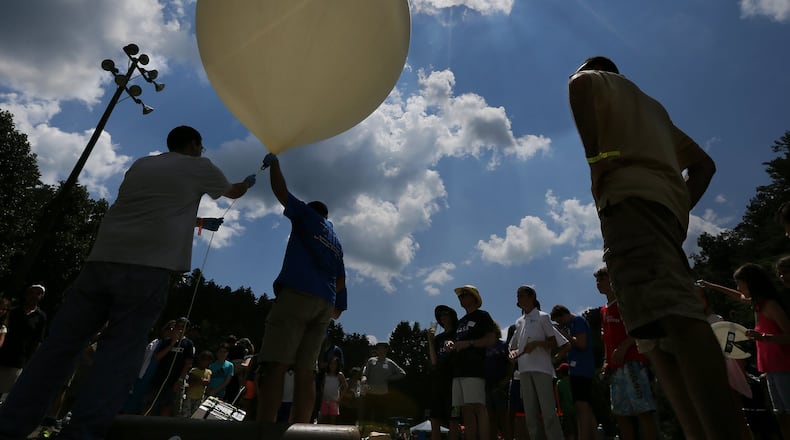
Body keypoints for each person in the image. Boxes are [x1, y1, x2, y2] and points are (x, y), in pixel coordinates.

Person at [0, 125, 255, 440]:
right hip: (146, 269)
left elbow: (154, 208)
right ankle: (81, 434)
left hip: (101, 260)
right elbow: (234, 191)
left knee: (58, 347)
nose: (202, 152)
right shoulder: (199, 166)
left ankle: (10, 425)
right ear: (193, 145)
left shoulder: (142, 165)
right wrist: (250, 180)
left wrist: (199, 222)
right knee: (118, 356)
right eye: (201, 147)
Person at [568, 56, 743, 438]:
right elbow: (704, 165)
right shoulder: (655, 111)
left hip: (629, 209)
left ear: (602, 72)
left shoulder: (599, 82)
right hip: (662, 216)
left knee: (679, 322)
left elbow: (579, 84)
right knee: (654, 337)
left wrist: (596, 159)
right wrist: (678, 205)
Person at [256, 152, 348, 424]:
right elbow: (341, 280)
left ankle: (265, 430)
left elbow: (281, 192)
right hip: (324, 303)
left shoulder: (306, 216)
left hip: (297, 295)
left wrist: (274, 163)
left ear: (310, 209)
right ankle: (302, 429)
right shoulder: (335, 240)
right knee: (306, 370)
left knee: (275, 365)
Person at [704, 263, 790, 438]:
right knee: (781, 415)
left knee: (788, 413)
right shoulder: (757, 305)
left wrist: (763, 337)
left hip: (783, 367)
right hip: (771, 370)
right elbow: (739, 296)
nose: (738, 288)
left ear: (750, 283)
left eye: (740, 283)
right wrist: (712, 286)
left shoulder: (771, 306)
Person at [594, 267, 658, 440]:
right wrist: (606, 361)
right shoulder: (603, 310)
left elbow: (637, 327)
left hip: (632, 362)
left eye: (602, 280)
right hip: (614, 368)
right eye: (597, 281)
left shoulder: (624, 302)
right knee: (621, 413)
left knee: (642, 409)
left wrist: (623, 347)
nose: (598, 284)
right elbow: (606, 338)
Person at [508, 285, 566, 440]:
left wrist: (537, 344)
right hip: (524, 371)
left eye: (521, 295)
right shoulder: (519, 321)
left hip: (542, 369)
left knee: (548, 412)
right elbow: (513, 346)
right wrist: (513, 353)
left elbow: (554, 343)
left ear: (531, 296)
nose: (518, 299)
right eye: (517, 295)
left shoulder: (543, 317)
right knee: (530, 414)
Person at [448, 285, 496, 440]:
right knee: (465, 410)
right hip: (458, 370)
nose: (460, 298)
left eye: (464, 295)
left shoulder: (483, 316)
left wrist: (469, 343)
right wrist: (451, 344)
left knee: (478, 407)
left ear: (474, 297)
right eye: (459, 296)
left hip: (474, 368)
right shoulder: (460, 322)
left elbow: (491, 338)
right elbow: (457, 342)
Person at [551, 305, 597, 440]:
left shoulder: (578, 322)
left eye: (560, 321)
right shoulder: (572, 325)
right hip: (578, 370)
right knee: (586, 407)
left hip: (581, 369)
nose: (561, 324)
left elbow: (581, 343)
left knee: (581, 406)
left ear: (563, 315)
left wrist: (564, 334)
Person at [0, 284, 47, 399]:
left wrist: (31, 361)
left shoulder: (41, 317)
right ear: (26, 295)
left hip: (18, 359)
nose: (34, 296)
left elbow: (38, 340)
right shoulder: (12, 311)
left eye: (38, 293)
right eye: (32, 292)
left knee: (3, 389)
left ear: (42, 297)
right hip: (2, 353)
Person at [148, 317, 196, 417]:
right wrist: (172, 343)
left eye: (183, 327)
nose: (180, 329)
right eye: (178, 326)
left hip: (174, 381)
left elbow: (188, 363)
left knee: (167, 406)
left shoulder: (188, 344)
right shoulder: (166, 341)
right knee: (150, 403)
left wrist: (180, 380)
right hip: (160, 378)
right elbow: (157, 357)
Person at [427, 304, 460, 440]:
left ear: (452, 316)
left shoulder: (458, 333)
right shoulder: (438, 338)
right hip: (438, 380)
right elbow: (434, 361)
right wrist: (430, 341)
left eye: (446, 313)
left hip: (454, 379)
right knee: (435, 418)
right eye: (441, 315)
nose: (443, 317)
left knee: (454, 418)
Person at [360, 341, 406, 426]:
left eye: (382, 349)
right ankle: (364, 433)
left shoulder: (390, 362)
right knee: (367, 415)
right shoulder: (371, 360)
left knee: (380, 417)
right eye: (378, 349)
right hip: (370, 393)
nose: (380, 350)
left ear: (386, 350)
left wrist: (390, 378)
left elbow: (402, 373)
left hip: (383, 394)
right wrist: (364, 379)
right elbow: (365, 374)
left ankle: (379, 435)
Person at [181, 350, 213, 417]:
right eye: (203, 359)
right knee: (186, 414)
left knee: (195, 415)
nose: (204, 362)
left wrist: (197, 379)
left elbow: (207, 382)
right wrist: (201, 380)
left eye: (206, 360)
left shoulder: (208, 372)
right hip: (190, 396)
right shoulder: (193, 370)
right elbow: (191, 382)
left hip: (199, 397)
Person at [318, 355, 347, 424]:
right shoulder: (326, 374)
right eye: (331, 363)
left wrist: (340, 398)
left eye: (334, 364)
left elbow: (345, 386)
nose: (332, 366)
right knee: (323, 419)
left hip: (334, 401)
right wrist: (322, 395)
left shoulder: (339, 375)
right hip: (325, 399)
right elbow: (322, 385)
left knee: (332, 420)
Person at [555, 363, 577, 440]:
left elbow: (558, 398)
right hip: (576, 409)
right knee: (577, 429)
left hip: (566, 410)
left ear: (561, 373)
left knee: (569, 432)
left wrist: (559, 410)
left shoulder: (559, 383)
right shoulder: (574, 381)